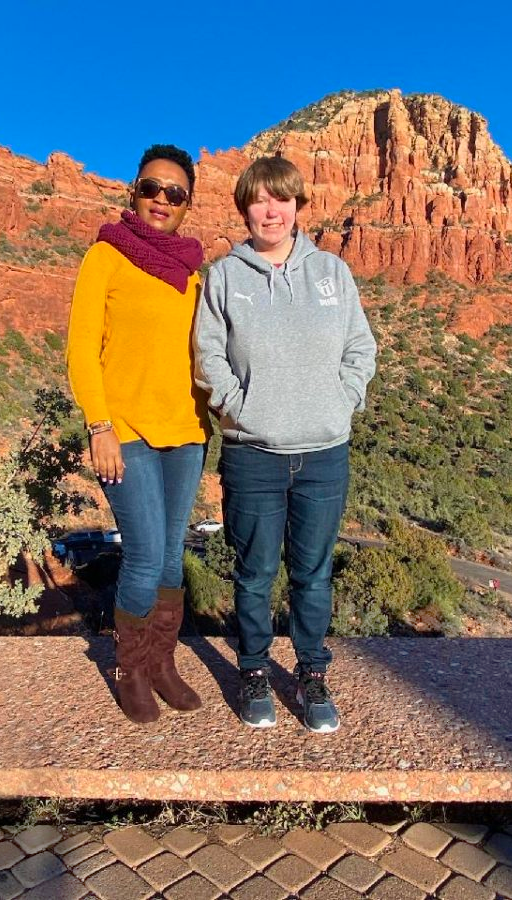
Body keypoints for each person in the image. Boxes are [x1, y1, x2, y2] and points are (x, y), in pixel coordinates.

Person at [194, 156, 376, 733]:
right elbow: (208, 356)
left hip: (325, 452)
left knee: (313, 574)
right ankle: (252, 671)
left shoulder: (332, 272)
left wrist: (341, 400)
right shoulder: (224, 276)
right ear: (244, 207)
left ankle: (312, 673)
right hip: (252, 455)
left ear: (298, 205)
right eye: (259, 200)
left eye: (282, 199)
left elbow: (360, 348)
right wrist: (240, 409)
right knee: (253, 573)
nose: (271, 211)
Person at [67, 144, 211, 725]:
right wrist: (98, 425)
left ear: (187, 205)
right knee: (147, 553)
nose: (161, 200)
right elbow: (81, 349)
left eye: (174, 194)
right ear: (134, 191)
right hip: (124, 429)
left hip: (188, 431)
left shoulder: (195, 273)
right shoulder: (105, 256)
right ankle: (130, 668)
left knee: (173, 558)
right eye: (151, 188)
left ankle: (161, 664)